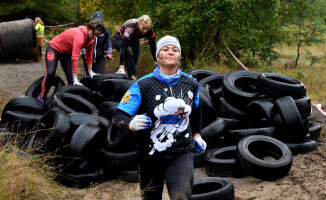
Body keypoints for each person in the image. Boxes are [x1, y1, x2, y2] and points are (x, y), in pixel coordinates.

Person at [112, 35, 207, 200]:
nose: (171, 52)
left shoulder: (191, 83)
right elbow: (118, 115)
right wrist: (130, 123)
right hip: (149, 155)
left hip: (181, 152)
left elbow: (197, 109)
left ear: (179, 56)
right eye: (165, 49)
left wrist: (197, 134)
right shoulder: (142, 85)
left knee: (181, 197)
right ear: (157, 56)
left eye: (175, 50)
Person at [37, 20, 105, 102]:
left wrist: (90, 71)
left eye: (97, 36)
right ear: (89, 28)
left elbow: (89, 54)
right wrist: (76, 78)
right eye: (93, 34)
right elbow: (75, 57)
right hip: (54, 48)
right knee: (51, 72)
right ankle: (41, 96)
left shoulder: (91, 40)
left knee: (71, 80)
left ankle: (68, 102)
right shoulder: (80, 36)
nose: (94, 37)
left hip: (66, 54)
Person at [112, 15, 157, 80]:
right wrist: (121, 67)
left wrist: (156, 60)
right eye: (143, 28)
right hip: (119, 39)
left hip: (134, 41)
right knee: (128, 51)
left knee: (135, 62)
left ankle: (131, 76)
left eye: (147, 28)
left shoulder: (150, 31)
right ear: (139, 24)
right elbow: (123, 47)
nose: (145, 31)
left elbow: (153, 46)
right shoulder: (131, 28)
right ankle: (129, 74)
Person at [82, 11, 113, 75]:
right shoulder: (88, 30)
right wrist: (84, 51)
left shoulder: (106, 32)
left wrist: (109, 53)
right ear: (93, 20)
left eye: (100, 21)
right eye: (96, 21)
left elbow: (109, 45)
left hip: (100, 58)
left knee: (99, 77)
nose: (98, 23)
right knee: (90, 78)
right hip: (88, 57)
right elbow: (81, 44)